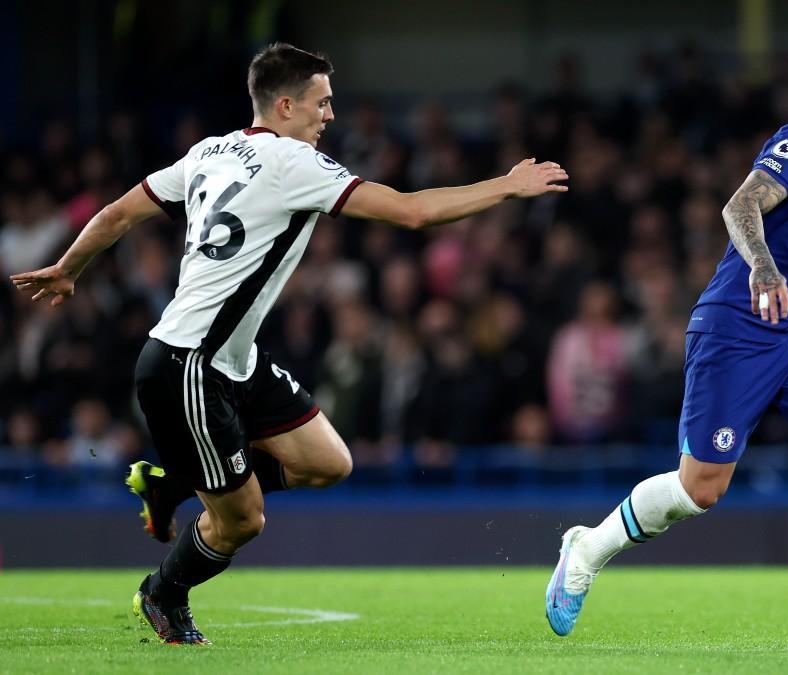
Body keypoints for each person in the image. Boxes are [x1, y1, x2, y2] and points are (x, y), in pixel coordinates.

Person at [11, 43, 568, 646]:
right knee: (243, 521)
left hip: (232, 359)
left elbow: (118, 214)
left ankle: (172, 484)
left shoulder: (209, 151)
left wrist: (69, 267)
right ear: (284, 105)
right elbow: (412, 213)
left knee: (328, 463)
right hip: (188, 363)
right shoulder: (292, 162)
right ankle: (164, 592)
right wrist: (507, 187)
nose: (329, 115)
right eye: (322, 102)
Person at [545, 43, 788, 648]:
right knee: (701, 489)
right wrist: (764, 270)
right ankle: (586, 549)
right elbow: (741, 204)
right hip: (736, 330)